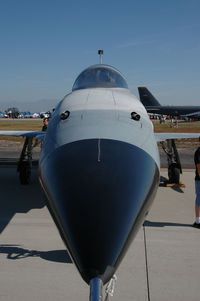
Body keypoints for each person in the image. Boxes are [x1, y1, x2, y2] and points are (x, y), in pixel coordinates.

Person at [192, 139, 200, 228]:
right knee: (199, 200)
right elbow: (199, 168)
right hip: (199, 180)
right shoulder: (198, 152)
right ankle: (197, 221)